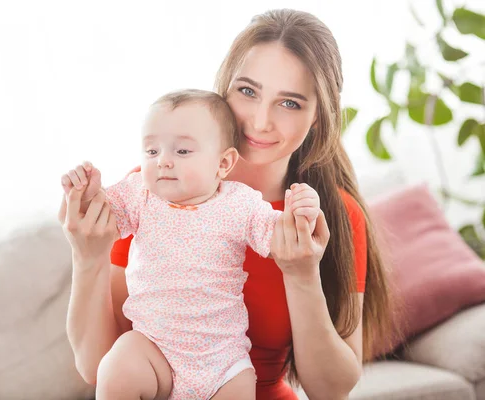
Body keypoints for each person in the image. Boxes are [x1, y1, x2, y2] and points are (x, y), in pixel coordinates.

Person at [59, 8, 395, 400]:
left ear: (320, 114)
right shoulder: (158, 187)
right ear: (224, 88)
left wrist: (301, 275)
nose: (260, 121)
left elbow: (331, 389)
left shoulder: (331, 215)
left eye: (290, 103)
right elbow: (97, 366)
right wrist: (88, 259)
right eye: (248, 91)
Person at [61, 89, 320, 400]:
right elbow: (98, 220)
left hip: (223, 364)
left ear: (223, 163)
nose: (164, 162)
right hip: (154, 348)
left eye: (182, 152)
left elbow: (282, 238)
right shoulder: (139, 195)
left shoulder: (240, 204)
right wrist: (85, 194)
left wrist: (301, 211)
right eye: (152, 151)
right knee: (117, 368)